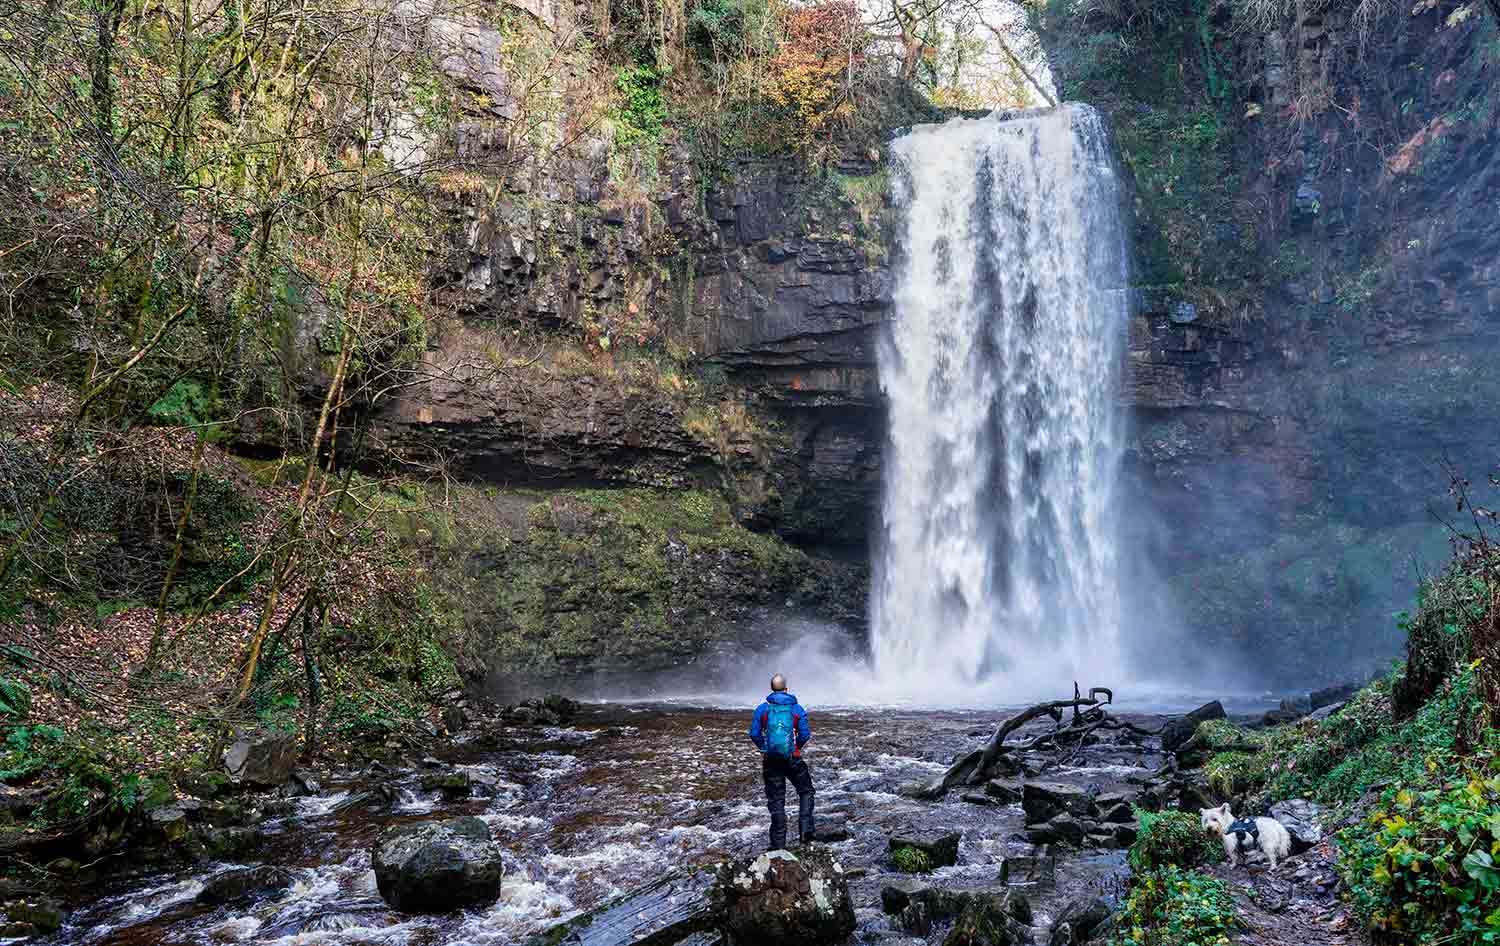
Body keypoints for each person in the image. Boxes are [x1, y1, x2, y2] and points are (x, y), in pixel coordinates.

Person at [747, 672, 814, 850]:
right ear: (786, 689)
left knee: (776, 800)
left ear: (771, 689)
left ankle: (778, 846)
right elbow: (805, 734)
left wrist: (764, 748)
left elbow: (754, 734)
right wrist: (795, 748)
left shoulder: (762, 709)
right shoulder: (797, 709)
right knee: (806, 792)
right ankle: (805, 835)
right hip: (793, 759)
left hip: (771, 760)